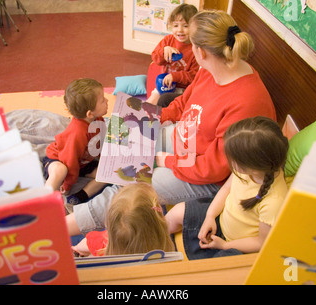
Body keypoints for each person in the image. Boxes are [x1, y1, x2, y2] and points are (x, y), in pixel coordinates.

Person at [65, 10, 276, 237]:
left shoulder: (245, 103)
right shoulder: (211, 68)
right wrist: (151, 118)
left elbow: (213, 169)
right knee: (125, 130)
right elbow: (184, 103)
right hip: (188, 144)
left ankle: (64, 226)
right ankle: (99, 178)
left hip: (205, 174)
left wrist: (164, 160)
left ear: (200, 52)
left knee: (129, 186)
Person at [165, 116, 289, 260]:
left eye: (233, 160)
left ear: (252, 166)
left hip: (237, 245)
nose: (228, 161)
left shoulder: (274, 201)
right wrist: (210, 216)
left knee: (214, 272)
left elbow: (261, 242)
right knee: (176, 212)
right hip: (221, 217)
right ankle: (156, 240)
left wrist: (224, 246)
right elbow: (226, 189)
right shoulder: (248, 170)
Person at [43, 78, 108, 208]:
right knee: (60, 171)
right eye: (102, 100)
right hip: (58, 159)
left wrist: (104, 161)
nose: (107, 101)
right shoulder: (77, 133)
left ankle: (78, 198)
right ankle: (46, 201)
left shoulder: (98, 120)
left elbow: (99, 143)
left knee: (106, 174)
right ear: (90, 114)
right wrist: (67, 184)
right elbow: (69, 160)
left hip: (83, 163)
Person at [71, 183, 175, 256]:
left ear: (108, 223)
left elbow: (85, 245)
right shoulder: (165, 249)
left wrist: (76, 249)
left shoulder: (101, 243)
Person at [146, 4, 200, 107]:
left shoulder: (195, 48)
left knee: (165, 107)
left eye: (185, 26)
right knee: (149, 104)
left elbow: (194, 76)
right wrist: (163, 51)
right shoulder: (168, 40)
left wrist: (175, 76)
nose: (179, 30)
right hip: (164, 85)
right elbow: (155, 58)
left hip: (183, 89)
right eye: (175, 25)